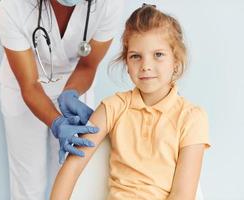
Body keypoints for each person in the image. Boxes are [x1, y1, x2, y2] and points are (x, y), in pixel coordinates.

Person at [50, 4, 210, 200]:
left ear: (176, 61)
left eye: (158, 55)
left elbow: (182, 194)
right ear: (126, 63)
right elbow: (72, 168)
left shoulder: (192, 118)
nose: (146, 66)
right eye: (136, 56)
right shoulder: (113, 107)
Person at [0, 0, 125, 199]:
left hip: (77, 81)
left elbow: (88, 65)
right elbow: (29, 85)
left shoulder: (110, 4)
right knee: (28, 183)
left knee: (71, 177)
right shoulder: (13, 6)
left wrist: (70, 93)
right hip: (26, 85)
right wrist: (56, 122)